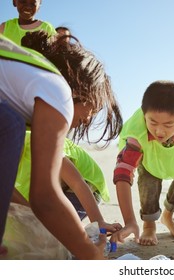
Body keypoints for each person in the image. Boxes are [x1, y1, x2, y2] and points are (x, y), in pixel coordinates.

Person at [0, 31, 123, 259]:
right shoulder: (60, 93)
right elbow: (45, 197)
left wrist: (35, 223)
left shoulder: (22, 90)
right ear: (80, 91)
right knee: (10, 125)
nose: (87, 120)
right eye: (92, 110)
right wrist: (92, 257)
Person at [111, 81, 174, 246]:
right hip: (149, 156)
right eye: (152, 122)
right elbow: (123, 173)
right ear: (144, 115)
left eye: (168, 125)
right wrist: (130, 221)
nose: (159, 131)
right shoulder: (137, 134)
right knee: (149, 182)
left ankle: (168, 217)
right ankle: (149, 225)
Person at [11, 131, 122, 233]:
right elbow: (24, 208)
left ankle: (77, 231)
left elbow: (77, 183)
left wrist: (98, 221)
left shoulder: (40, 143)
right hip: (53, 189)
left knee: (53, 233)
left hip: (84, 187)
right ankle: (74, 228)